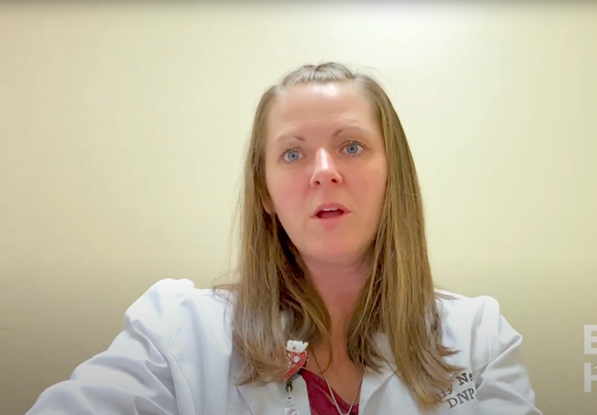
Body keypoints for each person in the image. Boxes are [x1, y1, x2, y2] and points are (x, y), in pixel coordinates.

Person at [25, 62, 542, 414]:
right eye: (293, 154)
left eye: (352, 146)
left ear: (394, 175)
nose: (324, 171)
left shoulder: (478, 337)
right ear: (265, 193)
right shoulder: (174, 330)